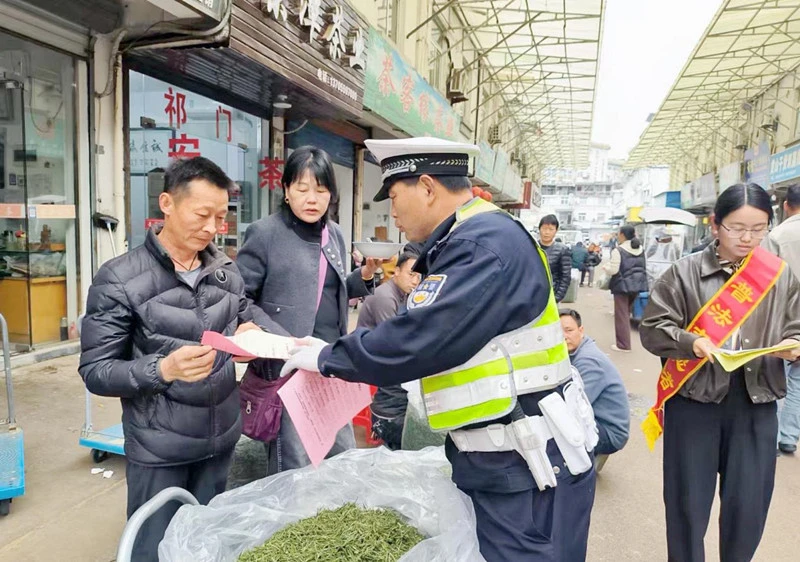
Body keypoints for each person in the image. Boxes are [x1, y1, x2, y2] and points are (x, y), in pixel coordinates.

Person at [282, 137, 597, 562]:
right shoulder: (477, 235)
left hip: (528, 465)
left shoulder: (480, 244)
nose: (392, 213)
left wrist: (328, 358)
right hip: (513, 457)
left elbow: (420, 337)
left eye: (395, 197)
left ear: (427, 188)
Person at [78, 157, 264, 561]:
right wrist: (162, 369)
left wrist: (252, 336)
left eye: (221, 216)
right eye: (202, 215)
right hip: (160, 448)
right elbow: (95, 370)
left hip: (221, 439)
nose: (213, 228)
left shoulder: (225, 271)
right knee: (153, 549)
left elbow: (243, 320)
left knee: (205, 545)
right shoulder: (120, 278)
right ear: (167, 203)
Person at [640, 183, 800, 562]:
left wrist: (794, 343)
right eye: (737, 228)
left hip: (756, 404)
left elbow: (794, 323)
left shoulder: (780, 276)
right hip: (695, 403)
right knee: (687, 506)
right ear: (715, 226)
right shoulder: (683, 273)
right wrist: (689, 342)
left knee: (748, 508)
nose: (747, 238)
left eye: (758, 229)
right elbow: (653, 328)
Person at [235, 146, 382, 473]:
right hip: (289, 368)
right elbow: (240, 298)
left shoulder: (336, 235)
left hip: (331, 361)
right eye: (302, 189)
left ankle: (337, 519)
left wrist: (365, 277)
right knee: (295, 462)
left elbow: (333, 289)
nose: (311, 198)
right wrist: (283, 340)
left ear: (331, 194)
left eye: (320, 189)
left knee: (340, 456)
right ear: (286, 190)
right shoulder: (265, 233)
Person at [357, 243, 422, 450]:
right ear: (396, 272)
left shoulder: (404, 294)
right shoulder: (385, 297)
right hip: (372, 363)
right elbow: (395, 342)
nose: (415, 281)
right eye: (411, 274)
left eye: (419, 276)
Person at [559, 308, 630, 470]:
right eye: (558, 331)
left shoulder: (588, 361)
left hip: (611, 433)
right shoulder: (577, 351)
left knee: (558, 424)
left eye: (569, 330)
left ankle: (581, 467)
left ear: (581, 330)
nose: (564, 336)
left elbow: (571, 407)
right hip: (601, 421)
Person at [764, 183, 800, 454]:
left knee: (775, 371)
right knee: (798, 381)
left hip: (782, 313)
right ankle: (789, 437)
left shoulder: (778, 234)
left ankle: (772, 437)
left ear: (786, 205)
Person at [604, 225, 647, 352]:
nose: (617, 236)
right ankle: (624, 342)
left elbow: (614, 270)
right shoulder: (640, 248)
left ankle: (623, 345)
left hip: (622, 287)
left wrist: (606, 268)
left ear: (622, 235)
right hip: (637, 285)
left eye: (618, 234)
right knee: (626, 314)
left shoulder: (619, 250)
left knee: (621, 315)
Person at [538, 214, 572, 302]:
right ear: (539, 229)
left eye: (551, 229)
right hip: (533, 295)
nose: (547, 232)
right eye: (544, 228)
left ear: (556, 231)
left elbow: (565, 277)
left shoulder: (562, 250)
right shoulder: (532, 246)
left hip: (551, 295)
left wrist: (556, 298)